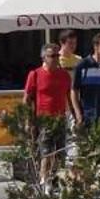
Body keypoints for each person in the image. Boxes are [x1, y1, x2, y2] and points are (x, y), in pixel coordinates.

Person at [22, 41, 77, 184]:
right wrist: (28, 120)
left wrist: (75, 115)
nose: (55, 59)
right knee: (46, 152)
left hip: (60, 118)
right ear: (44, 58)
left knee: (60, 152)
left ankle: (54, 178)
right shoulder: (35, 74)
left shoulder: (64, 75)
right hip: (43, 119)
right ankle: (43, 180)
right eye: (51, 56)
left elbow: (69, 97)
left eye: (57, 56)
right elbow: (27, 99)